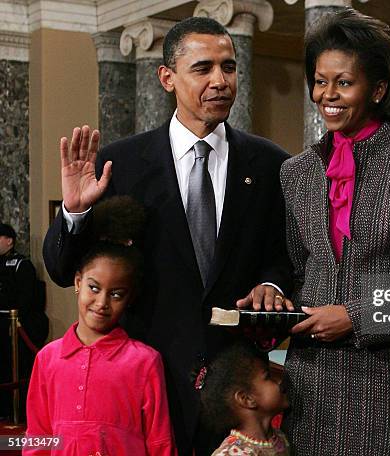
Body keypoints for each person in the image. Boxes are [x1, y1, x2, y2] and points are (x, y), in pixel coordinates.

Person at [42, 17, 292, 455]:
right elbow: (64, 270)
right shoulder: (121, 164)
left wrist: (271, 285)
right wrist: (76, 210)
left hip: (235, 394)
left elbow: (286, 254)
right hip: (146, 386)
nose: (220, 81)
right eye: (203, 69)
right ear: (167, 77)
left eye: (229, 67)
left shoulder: (269, 164)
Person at [271, 9, 390, 455]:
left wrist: (357, 315)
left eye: (343, 83)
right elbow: (299, 271)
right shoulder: (295, 172)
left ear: (378, 89)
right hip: (309, 383)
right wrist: (275, 300)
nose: (327, 95)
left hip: (388, 382)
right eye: (319, 81)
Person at [25, 196, 177, 455]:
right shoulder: (47, 359)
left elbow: (160, 442)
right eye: (93, 288)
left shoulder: (145, 362)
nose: (102, 302)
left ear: (130, 298)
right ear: (77, 282)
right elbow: (37, 438)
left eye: (116, 294)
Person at [194, 340, 290, 456]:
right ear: (246, 399)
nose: (279, 381)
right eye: (268, 377)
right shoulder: (232, 453)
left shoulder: (279, 438)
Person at [0, 223, 48, 420]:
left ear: (9, 240)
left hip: (14, 324)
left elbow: (26, 299)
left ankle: (15, 413)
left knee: (13, 369)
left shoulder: (21, 264)